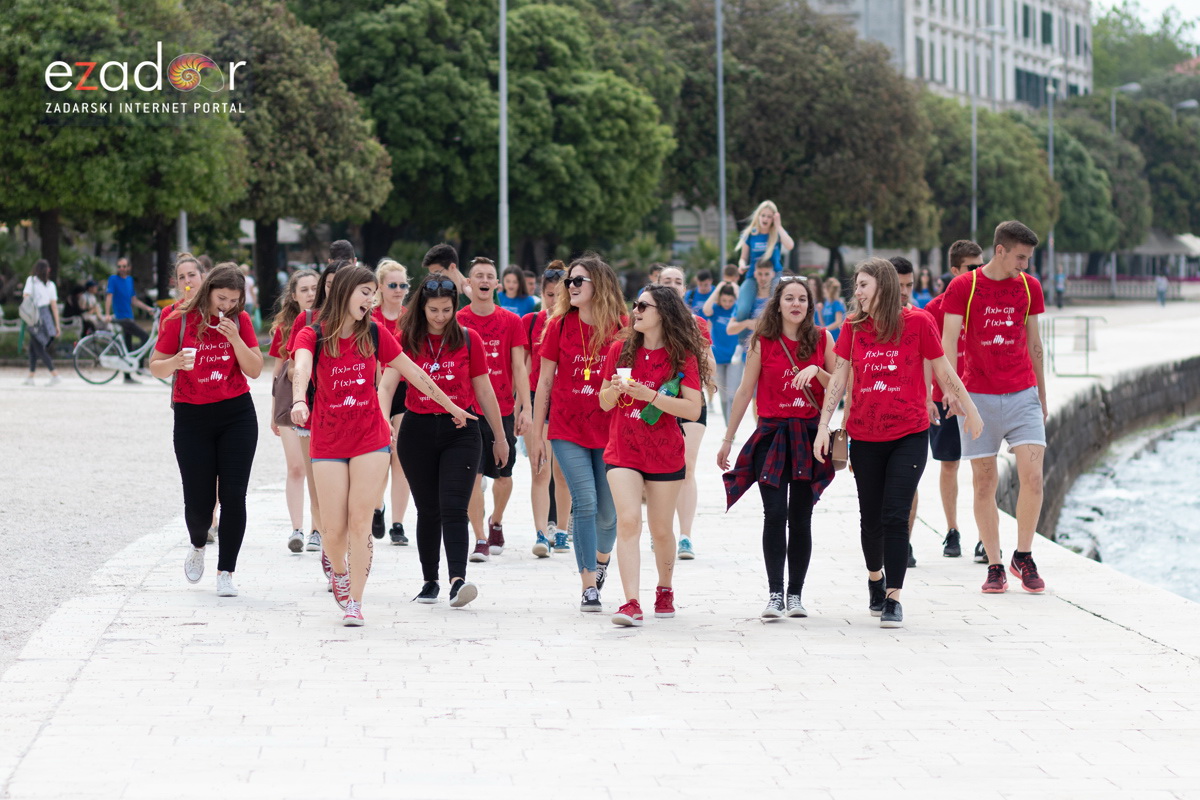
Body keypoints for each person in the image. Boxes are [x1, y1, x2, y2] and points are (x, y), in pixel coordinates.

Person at [291, 266, 475, 625]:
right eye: (365, 292)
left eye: (372, 293)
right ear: (345, 292)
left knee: (360, 520)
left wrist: (452, 406)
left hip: (370, 437)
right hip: (328, 438)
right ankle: (339, 571)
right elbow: (301, 368)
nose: (371, 300)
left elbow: (415, 372)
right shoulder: (313, 334)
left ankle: (356, 602)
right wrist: (299, 399)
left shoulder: (375, 333)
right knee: (333, 528)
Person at [812, 257, 982, 628]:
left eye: (863, 285)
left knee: (895, 514)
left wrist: (970, 409)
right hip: (865, 435)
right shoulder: (854, 326)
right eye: (857, 285)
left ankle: (893, 598)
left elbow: (943, 369)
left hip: (909, 433)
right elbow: (839, 378)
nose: (857, 292)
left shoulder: (919, 322)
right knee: (871, 518)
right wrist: (825, 425)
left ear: (883, 286)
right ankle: (876, 578)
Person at [940, 221, 1049, 595]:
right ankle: (994, 564)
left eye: (1028, 258)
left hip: (1023, 395)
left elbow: (1035, 343)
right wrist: (952, 392)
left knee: (1033, 478)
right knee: (984, 482)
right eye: (1020, 257)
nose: (1025, 265)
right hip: (978, 398)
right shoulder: (964, 287)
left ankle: (1024, 555)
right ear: (1000, 250)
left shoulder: (1029, 287)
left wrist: (1042, 395)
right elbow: (947, 343)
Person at [718, 277, 837, 618]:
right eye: (789, 298)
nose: (796, 304)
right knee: (774, 514)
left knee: (801, 517)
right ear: (778, 303)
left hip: (809, 436)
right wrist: (727, 439)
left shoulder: (823, 339)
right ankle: (774, 593)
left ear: (810, 305)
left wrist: (816, 370)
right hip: (771, 435)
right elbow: (745, 391)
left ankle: (795, 594)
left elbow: (839, 386)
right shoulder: (763, 341)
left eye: (802, 299)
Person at [149, 264, 264, 598]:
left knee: (234, 495)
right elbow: (155, 366)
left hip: (237, 414)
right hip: (192, 416)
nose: (226, 305)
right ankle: (198, 543)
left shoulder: (240, 321)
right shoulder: (179, 319)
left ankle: (226, 571)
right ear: (208, 290)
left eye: (233, 300)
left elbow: (255, 369)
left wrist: (235, 338)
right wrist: (175, 363)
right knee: (199, 503)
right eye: (221, 298)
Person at [395, 275, 507, 609]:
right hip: (416, 430)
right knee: (428, 509)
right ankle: (430, 580)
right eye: (434, 310)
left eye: (447, 309)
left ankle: (458, 580)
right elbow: (386, 383)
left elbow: (484, 390)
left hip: (462, 430)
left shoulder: (469, 339)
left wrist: (500, 437)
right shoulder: (407, 339)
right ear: (422, 307)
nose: (441, 316)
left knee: (454, 506)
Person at [600, 284, 708, 627]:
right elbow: (603, 402)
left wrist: (651, 396)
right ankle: (630, 602)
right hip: (623, 449)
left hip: (665, 452)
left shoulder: (682, 356)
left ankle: (664, 588)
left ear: (663, 312)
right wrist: (614, 390)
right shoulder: (619, 350)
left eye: (643, 306)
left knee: (661, 530)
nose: (636, 310)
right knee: (629, 520)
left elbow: (693, 409)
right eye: (635, 304)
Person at [526, 254, 626, 611]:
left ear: (599, 284)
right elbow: (544, 383)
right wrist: (537, 435)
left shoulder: (622, 325)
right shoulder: (558, 325)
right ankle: (588, 585)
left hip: (609, 429)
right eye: (569, 281)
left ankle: (601, 562)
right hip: (567, 427)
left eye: (578, 280)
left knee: (608, 514)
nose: (570, 286)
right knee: (584, 502)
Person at [457, 257, 531, 561]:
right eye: (479, 276)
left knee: (503, 476)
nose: (484, 280)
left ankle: (496, 520)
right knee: (472, 476)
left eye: (490, 276)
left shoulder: (510, 321)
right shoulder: (458, 320)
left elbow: (519, 366)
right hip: (468, 409)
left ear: (497, 284)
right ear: (469, 283)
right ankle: (480, 538)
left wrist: (525, 407)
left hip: (502, 408)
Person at [922, 240, 984, 560]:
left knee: (984, 466)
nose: (978, 273)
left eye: (981, 266)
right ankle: (952, 530)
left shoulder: (985, 304)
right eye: (971, 268)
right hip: (943, 398)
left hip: (980, 396)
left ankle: (985, 537)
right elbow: (927, 358)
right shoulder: (933, 310)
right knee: (949, 464)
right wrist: (930, 396)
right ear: (955, 270)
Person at [658, 266, 716, 561]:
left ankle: (685, 536)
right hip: (657, 402)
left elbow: (710, 364)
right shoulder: (645, 319)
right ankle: (661, 530)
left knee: (687, 467)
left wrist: (697, 345)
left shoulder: (697, 324)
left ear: (684, 289)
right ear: (656, 285)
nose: (672, 285)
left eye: (678, 281)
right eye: (666, 281)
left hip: (691, 401)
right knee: (658, 469)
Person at [522, 263, 573, 557]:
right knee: (539, 469)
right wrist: (521, 406)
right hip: (536, 398)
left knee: (562, 473)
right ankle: (541, 532)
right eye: (550, 295)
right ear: (541, 293)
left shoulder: (574, 323)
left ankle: (562, 530)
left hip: (566, 401)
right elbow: (524, 367)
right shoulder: (531, 322)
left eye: (559, 295)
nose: (554, 301)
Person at [268, 268, 320, 553]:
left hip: (319, 403)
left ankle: (317, 529)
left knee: (317, 468)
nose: (311, 294)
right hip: (291, 402)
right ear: (294, 295)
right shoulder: (286, 327)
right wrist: (273, 411)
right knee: (296, 467)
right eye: (304, 290)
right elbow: (277, 372)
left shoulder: (328, 321)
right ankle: (297, 529)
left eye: (314, 288)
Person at [373, 259, 412, 546]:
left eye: (403, 285)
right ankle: (377, 507)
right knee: (380, 456)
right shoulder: (369, 316)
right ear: (380, 287)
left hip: (405, 390)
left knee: (401, 456)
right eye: (393, 285)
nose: (399, 290)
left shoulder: (410, 318)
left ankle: (398, 523)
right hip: (376, 390)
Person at [724, 260, 777, 430]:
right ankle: (760, 429)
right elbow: (730, 329)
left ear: (773, 274)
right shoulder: (746, 303)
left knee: (774, 394)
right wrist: (748, 323)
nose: (763, 278)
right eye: (760, 274)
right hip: (751, 355)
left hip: (774, 354)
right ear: (755, 274)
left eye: (766, 274)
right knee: (755, 396)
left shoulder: (777, 301)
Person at [734, 201, 794, 320]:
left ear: (773, 218)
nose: (765, 219)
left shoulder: (776, 233)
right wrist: (741, 265)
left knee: (775, 306)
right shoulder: (750, 234)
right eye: (763, 215)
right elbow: (743, 258)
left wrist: (779, 226)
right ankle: (744, 332)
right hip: (753, 275)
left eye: (769, 216)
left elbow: (790, 245)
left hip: (774, 276)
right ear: (758, 216)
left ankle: (776, 331)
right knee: (742, 311)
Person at [105, 257, 156, 381]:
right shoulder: (113, 279)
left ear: (129, 267)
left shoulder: (129, 280)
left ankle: (127, 377)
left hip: (129, 317)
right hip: (121, 317)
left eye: (124, 266)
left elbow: (134, 300)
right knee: (145, 336)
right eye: (119, 266)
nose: (121, 269)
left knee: (128, 345)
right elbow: (109, 296)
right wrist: (107, 314)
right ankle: (140, 366)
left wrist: (148, 308)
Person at [702, 281, 739, 422]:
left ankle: (732, 425)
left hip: (734, 358)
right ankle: (728, 425)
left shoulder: (736, 309)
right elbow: (706, 309)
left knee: (732, 393)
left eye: (730, 300)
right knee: (723, 395)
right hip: (718, 357)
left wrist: (735, 287)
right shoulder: (716, 309)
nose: (727, 304)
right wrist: (718, 288)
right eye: (724, 300)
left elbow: (742, 303)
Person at [22, 259, 62, 386]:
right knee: (33, 348)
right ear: (47, 270)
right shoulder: (51, 285)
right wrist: (57, 325)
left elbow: (25, 296)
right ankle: (30, 376)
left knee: (38, 348)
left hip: (34, 316)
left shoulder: (31, 281)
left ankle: (55, 374)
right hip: (46, 316)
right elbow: (54, 306)